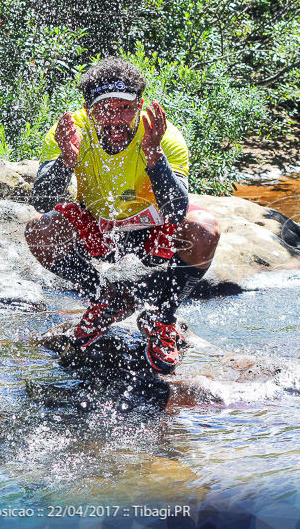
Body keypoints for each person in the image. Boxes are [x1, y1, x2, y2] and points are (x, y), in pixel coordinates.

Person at [25, 56, 221, 373]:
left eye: (125, 108)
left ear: (140, 104)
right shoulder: (71, 132)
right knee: (39, 231)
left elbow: (177, 209)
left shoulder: (164, 136)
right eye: (104, 109)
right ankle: (107, 297)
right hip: (100, 231)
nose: (115, 118)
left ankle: (163, 319)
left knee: (205, 229)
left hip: (156, 234)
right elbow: (42, 200)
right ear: (88, 111)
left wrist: (154, 155)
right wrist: (65, 162)